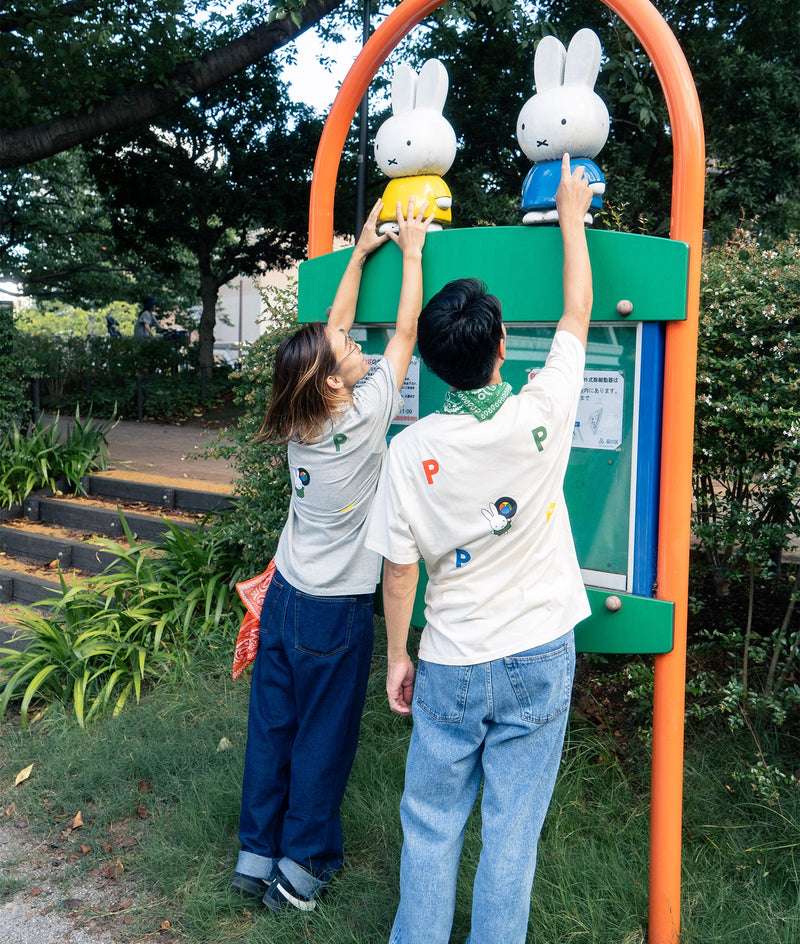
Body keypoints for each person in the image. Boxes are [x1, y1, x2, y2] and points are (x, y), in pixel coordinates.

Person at [364, 154, 594, 944]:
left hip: (452, 660)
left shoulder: (409, 450)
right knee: (511, 833)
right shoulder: (541, 414)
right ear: (499, 349)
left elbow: (399, 570)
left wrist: (400, 654)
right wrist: (570, 217)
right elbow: (575, 314)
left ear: (431, 363)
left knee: (429, 826)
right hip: (538, 652)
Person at [232, 197, 433, 913]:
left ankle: (256, 857)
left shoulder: (302, 422)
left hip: (285, 598)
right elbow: (406, 331)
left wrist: (357, 255)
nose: (355, 346)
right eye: (345, 355)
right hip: (334, 612)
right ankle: (302, 873)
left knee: (273, 729)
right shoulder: (365, 415)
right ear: (333, 383)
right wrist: (410, 252)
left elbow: (336, 330)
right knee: (322, 741)